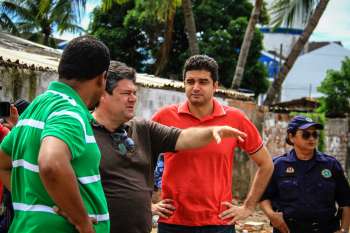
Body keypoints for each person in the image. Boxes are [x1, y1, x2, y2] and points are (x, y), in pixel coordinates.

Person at [91, 61, 248, 233]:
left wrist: (212, 131)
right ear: (102, 94)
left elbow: (183, 137)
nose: (133, 98)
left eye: (135, 93)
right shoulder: (83, 132)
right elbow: (58, 175)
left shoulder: (143, 128)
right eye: (126, 93)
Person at [0, 36, 110, 233]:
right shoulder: (69, 111)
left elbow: (2, 163)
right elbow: (52, 163)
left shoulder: (37, 106)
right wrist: (83, 222)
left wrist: (39, 203)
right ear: (102, 77)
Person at [152, 55, 273, 233]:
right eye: (190, 81)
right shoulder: (164, 117)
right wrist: (148, 203)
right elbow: (137, 157)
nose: (195, 87)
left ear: (215, 85)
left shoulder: (235, 119)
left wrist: (248, 207)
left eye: (203, 82)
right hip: (173, 222)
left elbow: (266, 164)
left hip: (219, 223)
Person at [260, 115, 350, 233]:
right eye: (306, 134)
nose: (311, 138)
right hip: (288, 230)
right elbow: (264, 197)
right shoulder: (278, 165)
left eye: (315, 134)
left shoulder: (331, 165)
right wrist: (271, 215)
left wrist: (343, 229)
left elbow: (345, 201)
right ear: (291, 137)